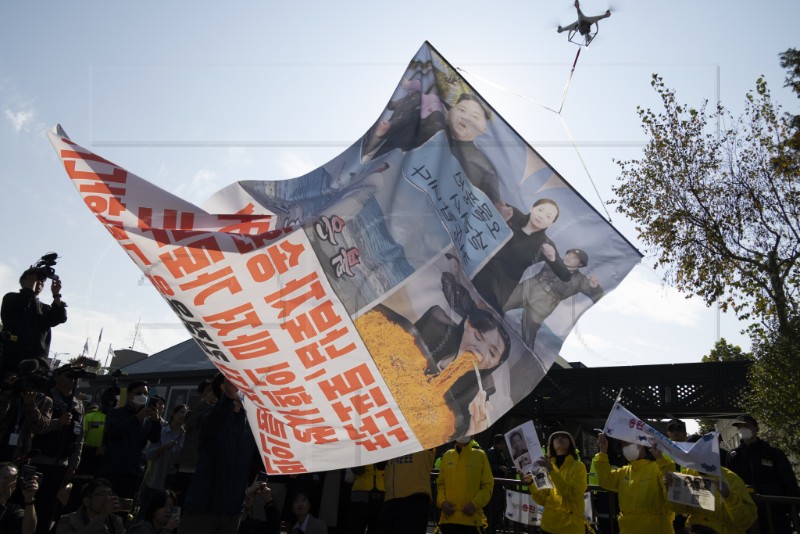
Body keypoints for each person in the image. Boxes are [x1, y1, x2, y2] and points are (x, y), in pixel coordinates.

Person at [413, 306, 511, 437]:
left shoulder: (479, 394)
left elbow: (452, 434)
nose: (479, 351)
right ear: (466, 323)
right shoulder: (435, 324)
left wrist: (471, 432)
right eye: (478, 336)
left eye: (492, 352)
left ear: (496, 364)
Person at [181, 373, 256, 534]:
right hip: (203, 508)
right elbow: (214, 421)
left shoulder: (251, 427)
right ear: (224, 387)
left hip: (232, 512)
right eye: (238, 383)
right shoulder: (207, 416)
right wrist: (228, 399)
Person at [473, 199, 570, 313]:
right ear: (532, 207)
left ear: (551, 224)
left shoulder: (544, 245)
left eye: (548, 216)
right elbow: (481, 209)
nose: (541, 216)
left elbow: (566, 276)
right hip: (477, 268)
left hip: (498, 290)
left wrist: (553, 259)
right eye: (540, 210)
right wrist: (497, 218)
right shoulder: (512, 214)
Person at [503, 248, 603, 346]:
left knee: (529, 333)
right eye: (569, 254)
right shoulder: (554, 259)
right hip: (529, 288)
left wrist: (595, 287)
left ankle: (526, 358)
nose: (569, 257)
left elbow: (598, 295)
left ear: (580, 264)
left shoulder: (580, 280)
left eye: (574, 258)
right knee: (502, 304)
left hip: (545, 303)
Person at [29, 364, 86, 534]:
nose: (72, 379)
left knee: (51, 511)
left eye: (75, 377)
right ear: (57, 376)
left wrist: (74, 464)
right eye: (68, 375)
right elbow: (33, 427)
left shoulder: (78, 405)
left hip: (62, 465)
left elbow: (79, 437)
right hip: (39, 462)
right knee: (32, 507)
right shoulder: (45, 398)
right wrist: (57, 423)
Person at [727, 414, 800, 532]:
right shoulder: (734, 456)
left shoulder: (772, 453)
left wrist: (793, 511)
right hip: (748, 514)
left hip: (775, 512)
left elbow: (789, 482)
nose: (743, 429)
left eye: (747, 426)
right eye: (740, 427)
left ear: (756, 429)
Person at [595, 433, 675, 533]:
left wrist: (660, 458)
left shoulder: (658, 467)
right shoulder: (624, 471)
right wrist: (603, 452)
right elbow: (605, 481)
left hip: (655, 528)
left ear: (641, 444)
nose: (624, 448)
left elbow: (672, 491)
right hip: (628, 529)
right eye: (622, 445)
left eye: (627, 443)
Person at [100, 380, 161, 499]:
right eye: (138, 393)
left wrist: (156, 421)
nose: (142, 396)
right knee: (107, 504)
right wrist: (137, 418)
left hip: (134, 471)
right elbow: (113, 432)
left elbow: (155, 439)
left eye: (145, 393)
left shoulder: (148, 418)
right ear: (129, 394)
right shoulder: (117, 412)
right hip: (113, 469)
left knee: (124, 507)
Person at [1, 268, 67, 376]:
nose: (39, 282)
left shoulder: (44, 308)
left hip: (37, 367)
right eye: (37, 279)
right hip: (12, 362)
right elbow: (22, 303)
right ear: (24, 280)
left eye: (42, 281)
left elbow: (60, 318)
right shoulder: (11, 298)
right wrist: (30, 285)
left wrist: (56, 295)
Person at [521, 431, 587, 534]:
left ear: (571, 443)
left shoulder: (579, 466)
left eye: (564, 436)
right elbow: (542, 500)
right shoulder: (543, 467)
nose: (560, 438)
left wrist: (551, 470)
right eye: (556, 437)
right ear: (551, 445)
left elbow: (572, 495)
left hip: (571, 528)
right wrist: (531, 484)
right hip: (548, 526)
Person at [664, 466, 757, 534]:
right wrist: (671, 491)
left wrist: (728, 496)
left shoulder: (730, 478)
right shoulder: (688, 473)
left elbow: (746, 521)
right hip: (694, 529)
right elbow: (681, 510)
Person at [436, 435, 494, 533]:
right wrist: (442, 502)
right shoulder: (447, 456)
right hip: (448, 520)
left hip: (472, 522)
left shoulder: (480, 456)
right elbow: (440, 484)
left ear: (472, 435)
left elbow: (487, 486)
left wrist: (474, 504)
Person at [138, 405, 187, 516]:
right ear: (173, 414)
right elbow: (149, 455)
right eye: (181, 412)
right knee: (147, 511)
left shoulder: (186, 436)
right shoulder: (162, 431)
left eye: (186, 413)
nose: (184, 415)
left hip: (174, 481)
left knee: (170, 514)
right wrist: (164, 448)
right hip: (155, 480)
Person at [173, 380, 216, 500]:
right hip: (189, 464)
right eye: (209, 390)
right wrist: (205, 402)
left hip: (205, 466)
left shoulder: (217, 411)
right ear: (201, 394)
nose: (213, 393)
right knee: (181, 499)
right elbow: (191, 422)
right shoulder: (194, 411)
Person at [0, 364, 53, 462]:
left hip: (20, 454)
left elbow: (39, 427)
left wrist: (30, 404)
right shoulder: (10, 393)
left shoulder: (44, 400)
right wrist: (5, 393)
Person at [376, 449, 436, 534]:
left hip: (415, 498)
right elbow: (380, 465)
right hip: (391, 499)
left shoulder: (424, 438)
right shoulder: (391, 440)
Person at [55, 477, 125, 534]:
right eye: (102, 494)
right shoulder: (68, 521)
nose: (108, 498)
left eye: (110, 494)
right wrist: (102, 516)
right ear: (87, 501)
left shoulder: (116, 521)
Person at [485, 434, 514, 534]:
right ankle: (490, 530)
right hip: (495, 485)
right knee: (493, 509)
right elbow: (488, 466)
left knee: (497, 509)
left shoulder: (497, 452)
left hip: (498, 485)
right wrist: (500, 467)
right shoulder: (492, 452)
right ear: (501, 443)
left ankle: (493, 528)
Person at [0, 461, 39, 534]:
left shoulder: (13, 509)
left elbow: (28, 531)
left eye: (13, 479)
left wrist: (29, 499)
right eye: (5, 478)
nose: (10, 482)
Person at [346, 463, 384, 534]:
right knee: (356, 528)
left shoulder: (386, 451)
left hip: (382, 494)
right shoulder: (359, 451)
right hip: (360, 494)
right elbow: (356, 470)